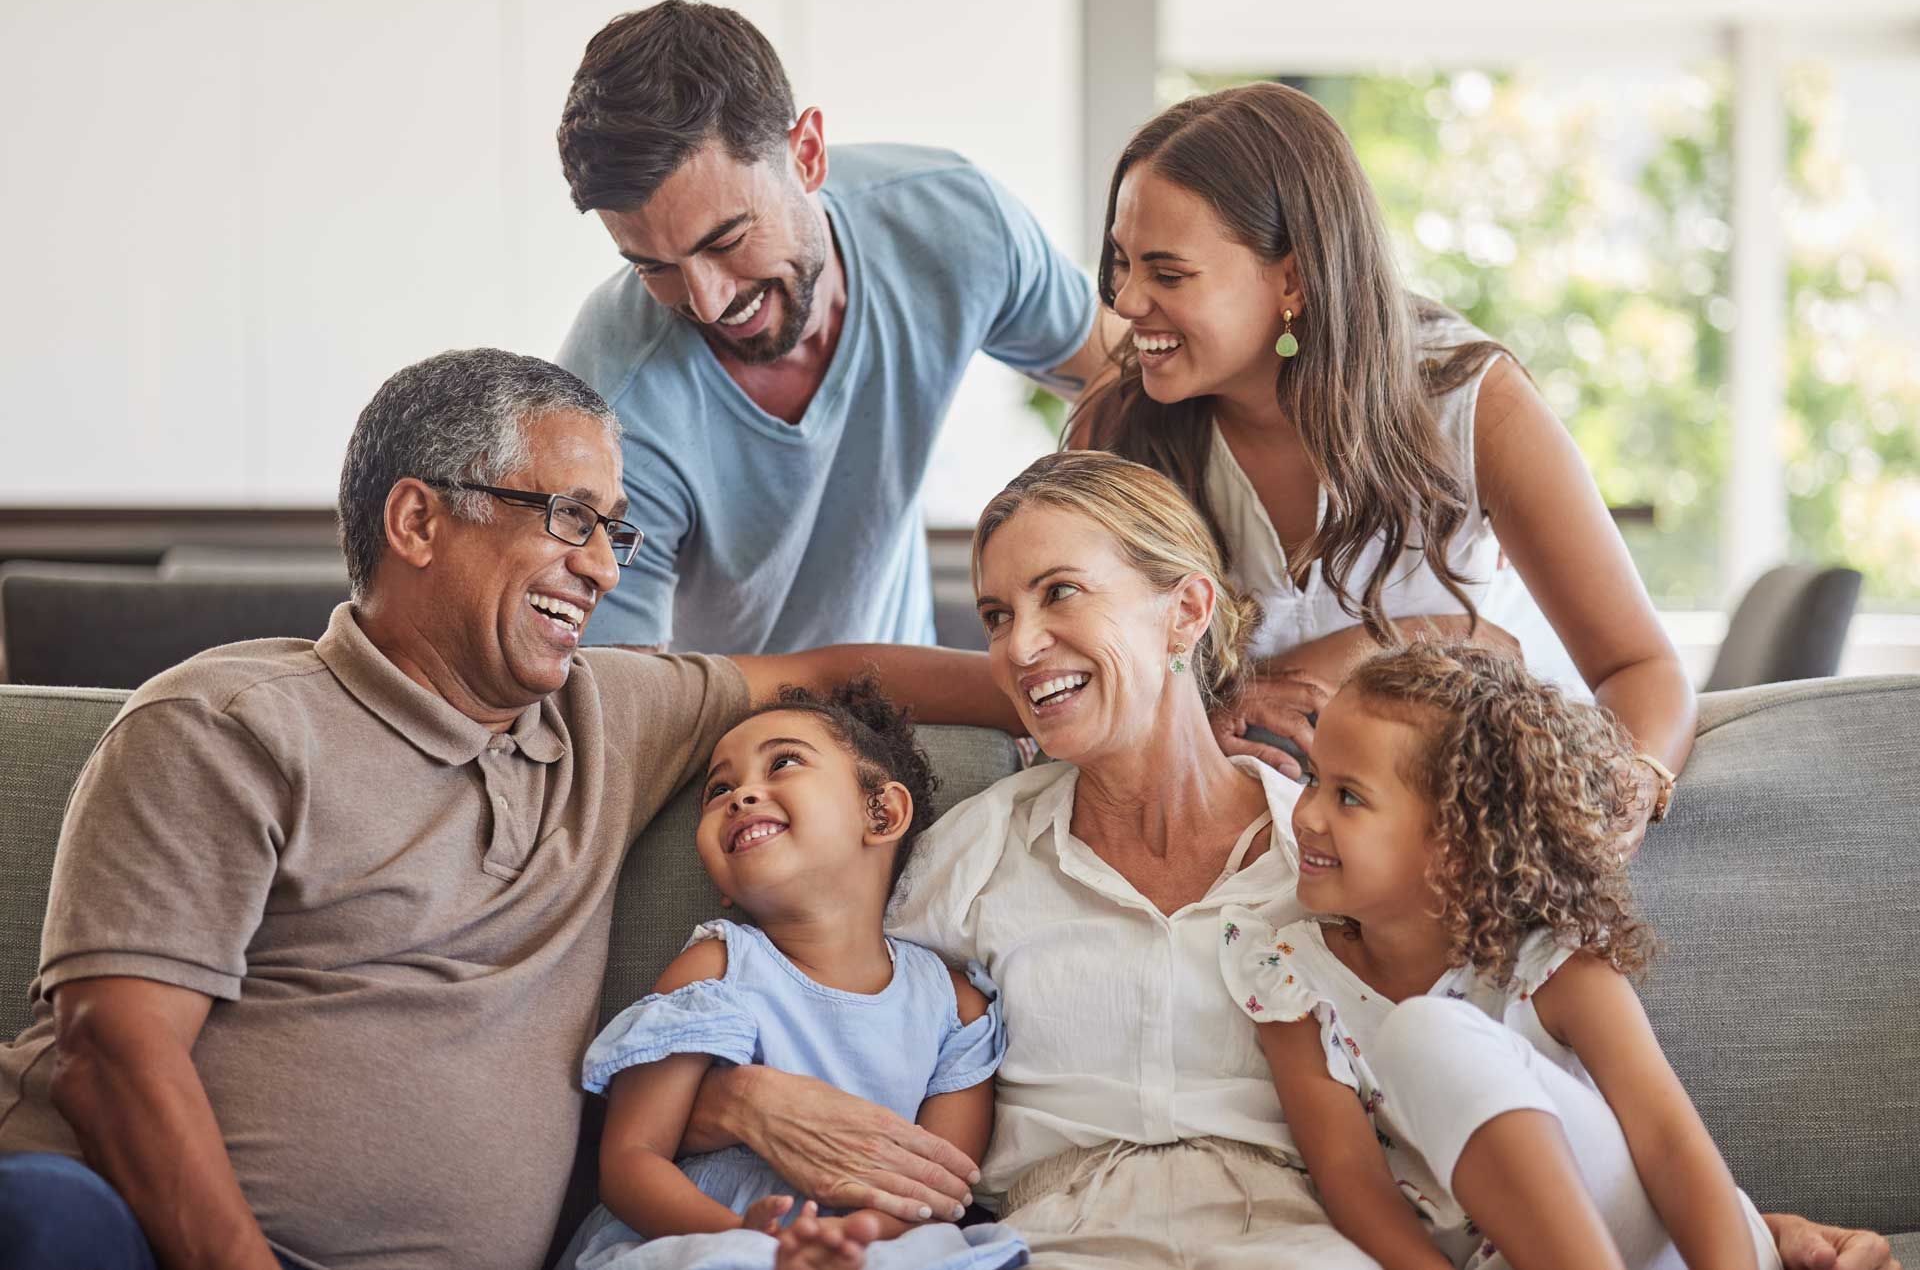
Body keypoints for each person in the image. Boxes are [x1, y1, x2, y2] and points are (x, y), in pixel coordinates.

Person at [673, 451, 1898, 1270]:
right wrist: (729, 1094)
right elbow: (832, 1009)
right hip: (1055, 1247)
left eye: (1060, 596)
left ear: (1185, 612)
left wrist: (1745, 1232)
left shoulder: (1347, 857)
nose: (1020, 646)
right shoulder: (969, 857)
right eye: (996, 615)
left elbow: (1495, 1082)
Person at [0, 348, 1015, 1270]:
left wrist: (1087, 698)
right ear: (417, 522)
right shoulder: (228, 725)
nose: (606, 567)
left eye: (613, 529)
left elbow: (829, 670)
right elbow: (112, 1056)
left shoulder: (606, 714)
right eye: (570, 517)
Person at [1068, 82, 1694, 842]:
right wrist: (1249, 689)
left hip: (1474, 813)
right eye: (1122, 264)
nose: (1126, 302)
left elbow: (1641, 668)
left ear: (1292, 280)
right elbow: (1085, 677)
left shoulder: (1470, 403)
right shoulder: (1122, 423)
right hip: (1264, 840)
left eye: (1168, 274)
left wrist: (1627, 792)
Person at [554, 0, 1119, 655]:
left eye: (728, 239)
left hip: (911, 721)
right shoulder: (611, 400)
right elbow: (626, 707)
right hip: (712, 743)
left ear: (809, 155)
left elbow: (1134, 381)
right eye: (653, 267)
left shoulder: (951, 222)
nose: (706, 302)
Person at [1220, 642, 1779, 1269]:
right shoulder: (1291, 975)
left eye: (1349, 797)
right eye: (1314, 779)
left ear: (1457, 844)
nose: (1308, 814)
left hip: (1666, 1248)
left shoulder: (1551, 961)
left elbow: (1671, 1146)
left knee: (1425, 1034)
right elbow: (1354, 1187)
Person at [561, 680, 1023, 1270]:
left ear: (882, 813)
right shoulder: (717, 968)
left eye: (783, 763)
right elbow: (630, 1162)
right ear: (720, 884)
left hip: (876, 1246)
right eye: (719, 789)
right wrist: (748, 1239)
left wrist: (847, 1242)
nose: (742, 795)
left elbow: (937, 1182)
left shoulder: (957, 1006)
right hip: (710, 1237)